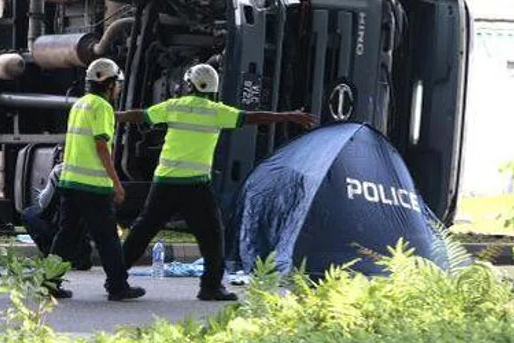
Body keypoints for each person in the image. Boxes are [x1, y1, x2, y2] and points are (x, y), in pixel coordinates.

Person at [116, 63, 318, 301]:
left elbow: (141, 114)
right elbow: (253, 117)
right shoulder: (216, 112)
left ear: (189, 85)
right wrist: (289, 116)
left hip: (165, 182)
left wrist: (114, 116)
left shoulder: (175, 106)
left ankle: (116, 279)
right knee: (212, 236)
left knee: (143, 230)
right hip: (196, 186)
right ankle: (210, 287)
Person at [49, 58, 145, 301]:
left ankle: (49, 282)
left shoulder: (79, 104)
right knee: (108, 239)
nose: (119, 89)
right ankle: (117, 287)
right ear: (109, 84)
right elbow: (102, 147)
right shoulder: (102, 107)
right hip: (93, 187)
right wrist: (116, 182)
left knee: (66, 235)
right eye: (117, 84)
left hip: (70, 182)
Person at [21, 147, 92, 271]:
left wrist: (47, 186)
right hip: (86, 230)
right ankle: (80, 256)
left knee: (29, 214)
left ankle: (52, 255)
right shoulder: (92, 171)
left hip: (64, 225)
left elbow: (44, 203)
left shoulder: (60, 171)